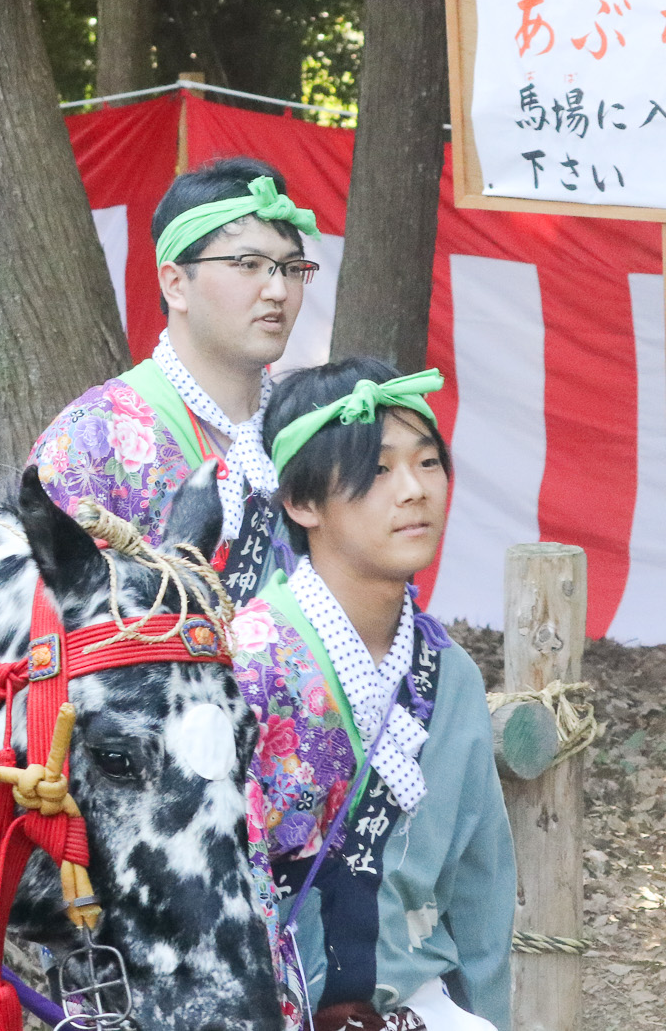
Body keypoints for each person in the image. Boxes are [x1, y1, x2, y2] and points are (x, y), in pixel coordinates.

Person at [234, 358, 515, 1031]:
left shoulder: (449, 675)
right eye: (380, 470)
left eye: (427, 462)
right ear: (303, 502)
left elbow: (481, 890)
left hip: (416, 1011)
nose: (414, 489)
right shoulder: (245, 665)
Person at [30, 157, 319, 544]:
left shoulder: (312, 429)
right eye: (249, 264)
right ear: (176, 284)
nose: (279, 290)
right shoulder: (93, 437)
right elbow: (44, 598)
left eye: (292, 268)